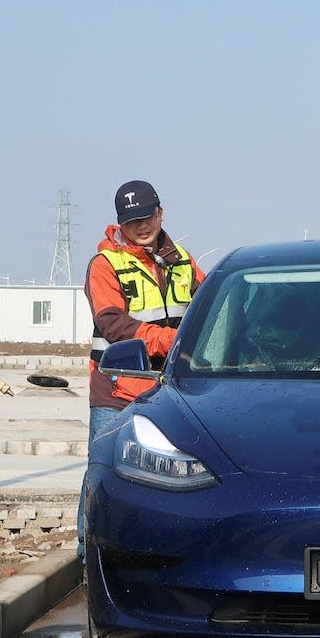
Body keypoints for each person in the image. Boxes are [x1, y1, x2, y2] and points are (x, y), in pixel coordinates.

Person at [79, 180, 206, 556]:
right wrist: (171, 342)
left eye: (147, 216)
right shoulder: (105, 264)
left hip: (171, 389)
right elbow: (112, 324)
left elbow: (208, 309)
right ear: (120, 223)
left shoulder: (183, 260)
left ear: (160, 213)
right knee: (101, 475)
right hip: (116, 389)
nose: (142, 225)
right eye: (132, 220)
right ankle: (89, 557)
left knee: (172, 474)